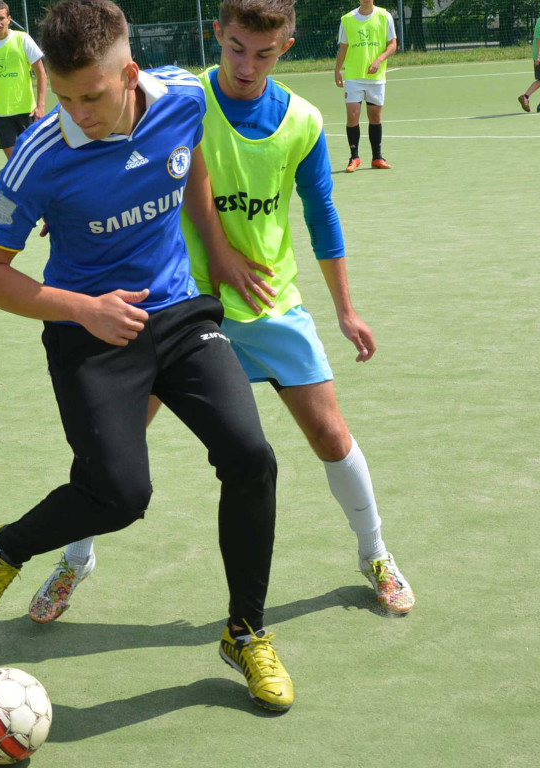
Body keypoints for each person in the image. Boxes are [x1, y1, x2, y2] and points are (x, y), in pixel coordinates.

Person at [30, 0, 415, 628]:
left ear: (287, 45)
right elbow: (99, 131)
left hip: (269, 303)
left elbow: (321, 216)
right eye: (236, 47)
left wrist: (346, 310)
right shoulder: (179, 96)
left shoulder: (305, 121)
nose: (246, 64)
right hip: (177, 309)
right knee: (112, 453)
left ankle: (374, 552)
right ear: (219, 34)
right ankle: (76, 557)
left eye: (263, 53)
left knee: (329, 435)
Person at [0, 0, 294, 713]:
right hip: (89, 333)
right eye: (66, 96)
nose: (79, 112)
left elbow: (190, 163)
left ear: (129, 74)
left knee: (251, 456)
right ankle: (8, 547)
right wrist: (85, 308)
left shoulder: (181, 98)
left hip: (176, 312)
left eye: (95, 96)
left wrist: (220, 247)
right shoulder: (38, 157)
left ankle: (245, 632)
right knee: (119, 495)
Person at [0, 1, 48, 158]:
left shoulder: (22, 39)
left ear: (9, 19)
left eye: (1, 18)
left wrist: (40, 106)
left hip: (26, 111)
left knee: (33, 158)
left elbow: (41, 73)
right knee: (14, 162)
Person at [333, 0, 396, 172]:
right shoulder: (347, 19)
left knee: (375, 117)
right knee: (353, 116)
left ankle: (377, 157)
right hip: (354, 76)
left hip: (376, 77)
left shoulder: (384, 16)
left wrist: (379, 60)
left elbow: (392, 44)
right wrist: (337, 69)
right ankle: (354, 158)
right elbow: (343, 47)